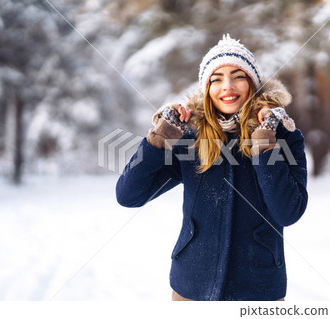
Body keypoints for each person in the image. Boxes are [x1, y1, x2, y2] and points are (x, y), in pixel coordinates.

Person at [116, 34, 308, 301]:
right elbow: (128, 195)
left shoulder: (284, 136)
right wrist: (161, 136)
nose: (226, 86)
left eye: (237, 75)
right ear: (206, 89)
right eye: (216, 79)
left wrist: (264, 143)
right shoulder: (190, 139)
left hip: (259, 291)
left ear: (252, 81)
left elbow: (288, 212)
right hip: (190, 289)